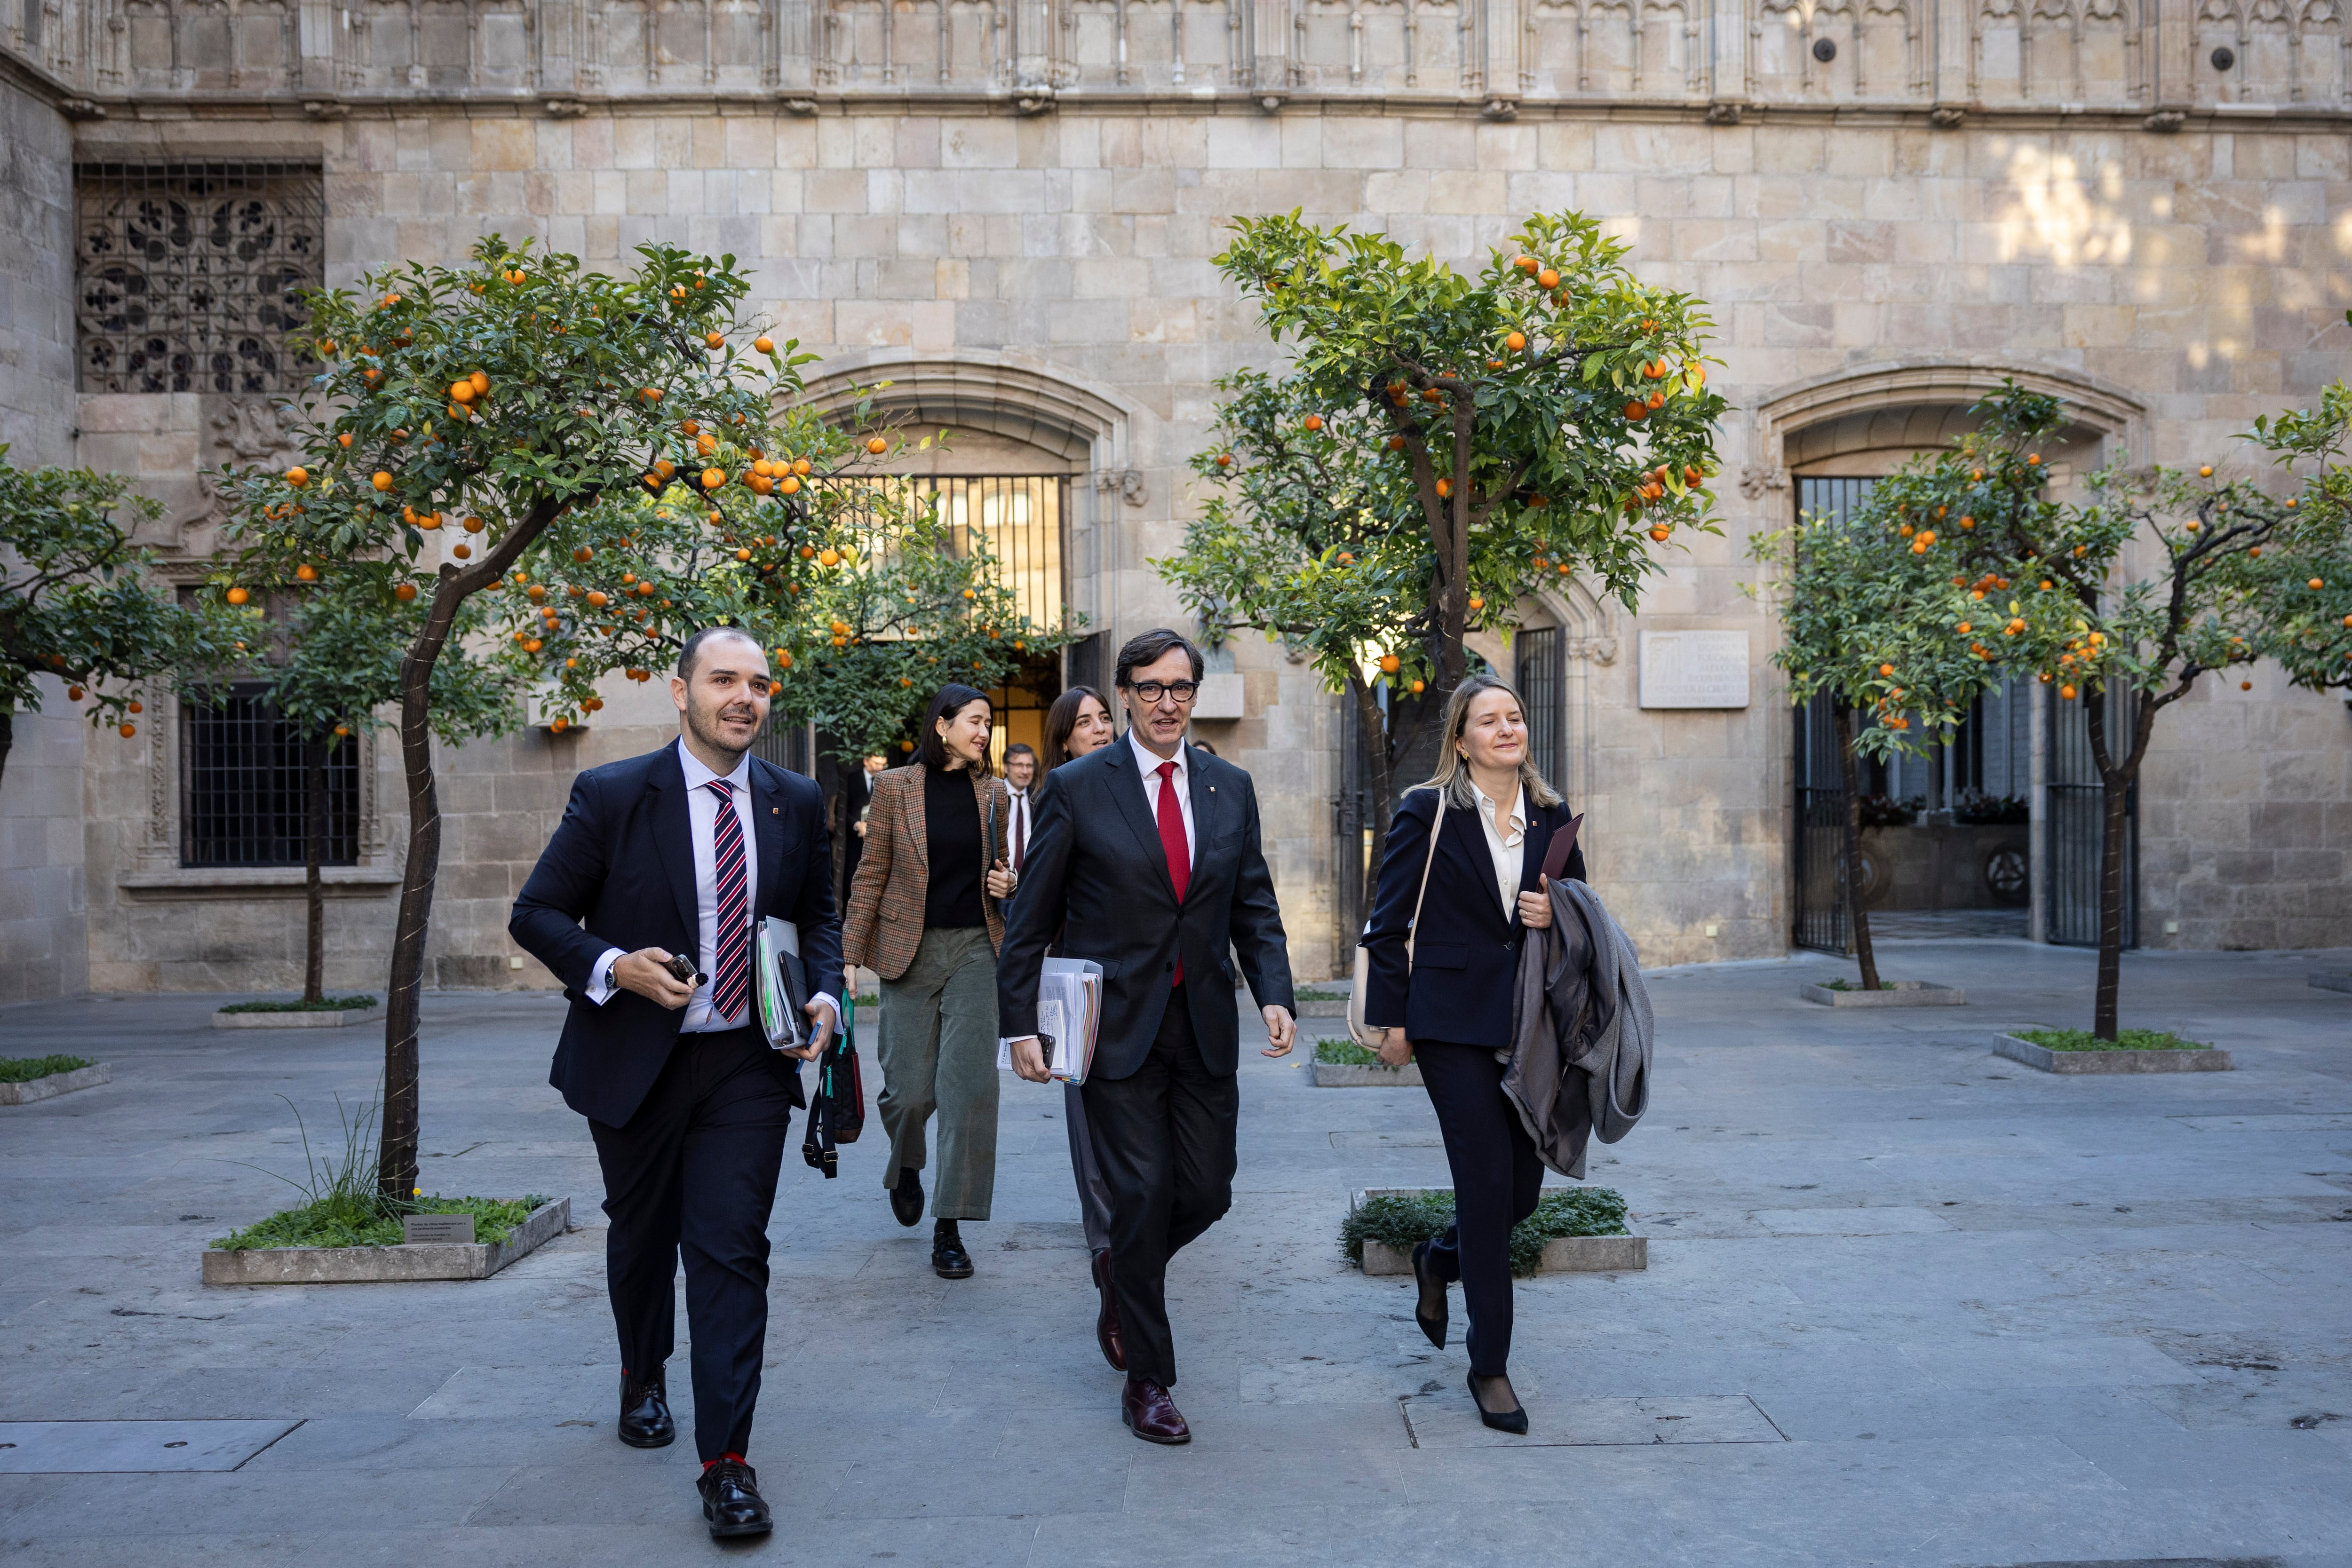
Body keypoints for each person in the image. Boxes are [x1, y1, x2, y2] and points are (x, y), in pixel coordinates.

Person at [509, 626, 843, 1540]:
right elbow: (535, 912)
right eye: (724, 679)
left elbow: (817, 914)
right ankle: (640, 1369)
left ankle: (726, 1462)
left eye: (761, 683)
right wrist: (614, 964)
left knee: (731, 1250)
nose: (745, 696)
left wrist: (824, 991)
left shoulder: (793, 799)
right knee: (644, 1234)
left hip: (746, 1061)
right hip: (636, 1062)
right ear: (681, 691)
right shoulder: (615, 794)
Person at [1001, 631, 1297, 1445]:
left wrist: (1274, 991)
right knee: (1138, 1192)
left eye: (1181, 685)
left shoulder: (1229, 785)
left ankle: (1120, 1270)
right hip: (1115, 1027)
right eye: (1151, 686)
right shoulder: (1077, 786)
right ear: (1125, 694)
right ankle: (1150, 1378)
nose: (1168, 700)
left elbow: (1253, 903)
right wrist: (1019, 1022)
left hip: (1201, 1022)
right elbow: (1030, 918)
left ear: (1194, 693)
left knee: (1206, 1191)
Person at [1359, 673, 1587, 1437]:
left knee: (1521, 1193)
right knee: (1487, 1187)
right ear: (1460, 739)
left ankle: (1438, 1257)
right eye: (1488, 720)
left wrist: (1557, 907)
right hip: (1450, 1025)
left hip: (1529, 1027)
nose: (1506, 728)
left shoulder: (1553, 816)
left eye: (1514, 716)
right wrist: (1391, 1018)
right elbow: (1387, 922)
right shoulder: (1427, 810)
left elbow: (1582, 915)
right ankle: (1489, 1365)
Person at [841, 685, 1017, 1279]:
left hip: (975, 947)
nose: (983, 732)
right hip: (907, 949)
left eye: (988, 724)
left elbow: (1005, 867)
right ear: (941, 726)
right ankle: (906, 1166)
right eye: (974, 721)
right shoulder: (894, 788)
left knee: (969, 1090)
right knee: (908, 1092)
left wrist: (1007, 883)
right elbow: (872, 874)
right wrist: (848, 954)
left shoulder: (993, 794)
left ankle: (950, 1225)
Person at [1035, 683, 1121, 1367]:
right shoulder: (1063, 792)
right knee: (1092, 1137)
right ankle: (1110, 1263)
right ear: (1064, 739)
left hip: (1161, 994)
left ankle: (1131, 1250)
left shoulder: (1148, 784)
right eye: (1082, 723)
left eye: (1103, 718)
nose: (1097, 729)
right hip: (1082, 988)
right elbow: (1041, 901)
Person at [1041, 684, 1115, 770]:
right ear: (1063, 742)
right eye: (1085, 722)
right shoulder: (1058, 782)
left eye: (1105, 718)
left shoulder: (1133, 776)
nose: (1100, 728)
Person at [1003, 742, 1039, 875]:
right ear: (1006, 768)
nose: (1025, 772)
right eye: (1019, 765)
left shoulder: (1038, 799)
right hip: (1000, 879)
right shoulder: (992, 796)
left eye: (1029, 766)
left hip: (1032, 877)